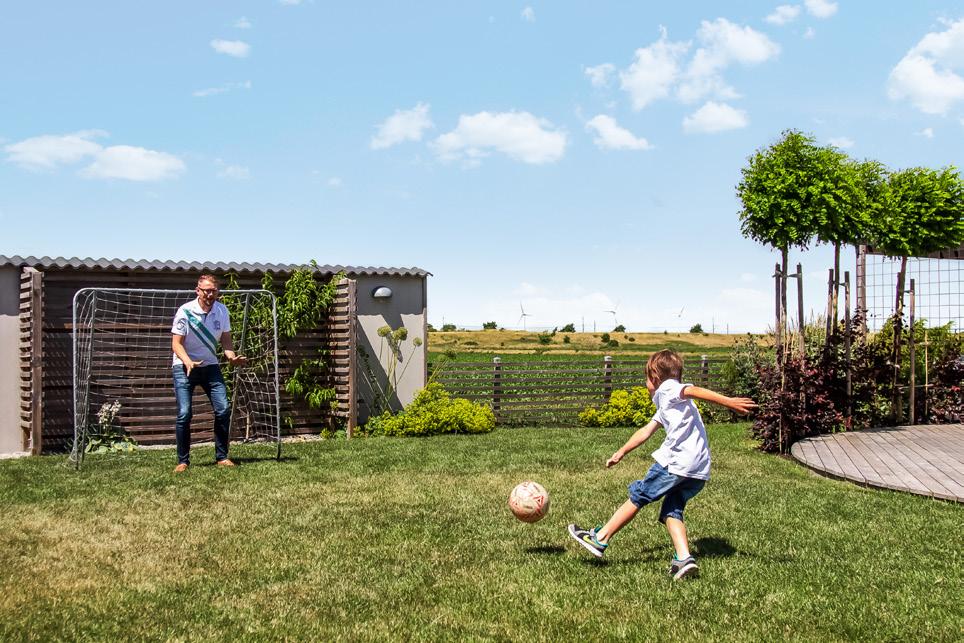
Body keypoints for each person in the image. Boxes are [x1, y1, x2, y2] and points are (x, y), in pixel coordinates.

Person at [567, 349, 757, 580]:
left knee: (639, 495)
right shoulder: (670, 404)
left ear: (655, 377)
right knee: (672, 509)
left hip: (676, 463)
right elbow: (646, 430)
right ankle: (684, 559)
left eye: (647, 379)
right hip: (698, 470)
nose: (647, 384)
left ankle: (600, 539)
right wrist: (622, 451)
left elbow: (690, 389)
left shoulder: (668, 388)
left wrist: (728, 402)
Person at [171, 274, 246, 473]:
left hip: (211, 366)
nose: (209, 294)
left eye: (213, 291)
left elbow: (226, 341)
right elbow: (176, 344)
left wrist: (231, 357)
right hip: (184, 366)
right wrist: (188, 362)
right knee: (184, 413)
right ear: (198, 291)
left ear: (217, 292)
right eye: (206, 290)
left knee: (223, 409)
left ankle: (222, 457)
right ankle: (183, 461)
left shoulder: (222, 311)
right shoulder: (185, 311)